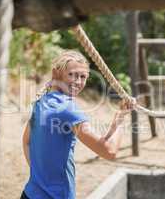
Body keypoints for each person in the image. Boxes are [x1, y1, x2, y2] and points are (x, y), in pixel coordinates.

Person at [21, 50, 135, 199]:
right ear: (56, 73)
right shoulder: (68, 109)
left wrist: (40, 176)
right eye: (72, 75)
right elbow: (110, 151)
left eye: (83, 77)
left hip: (30, 194)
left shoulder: (41, 102)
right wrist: (121, 119)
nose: (78, 82)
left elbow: (26, 142)